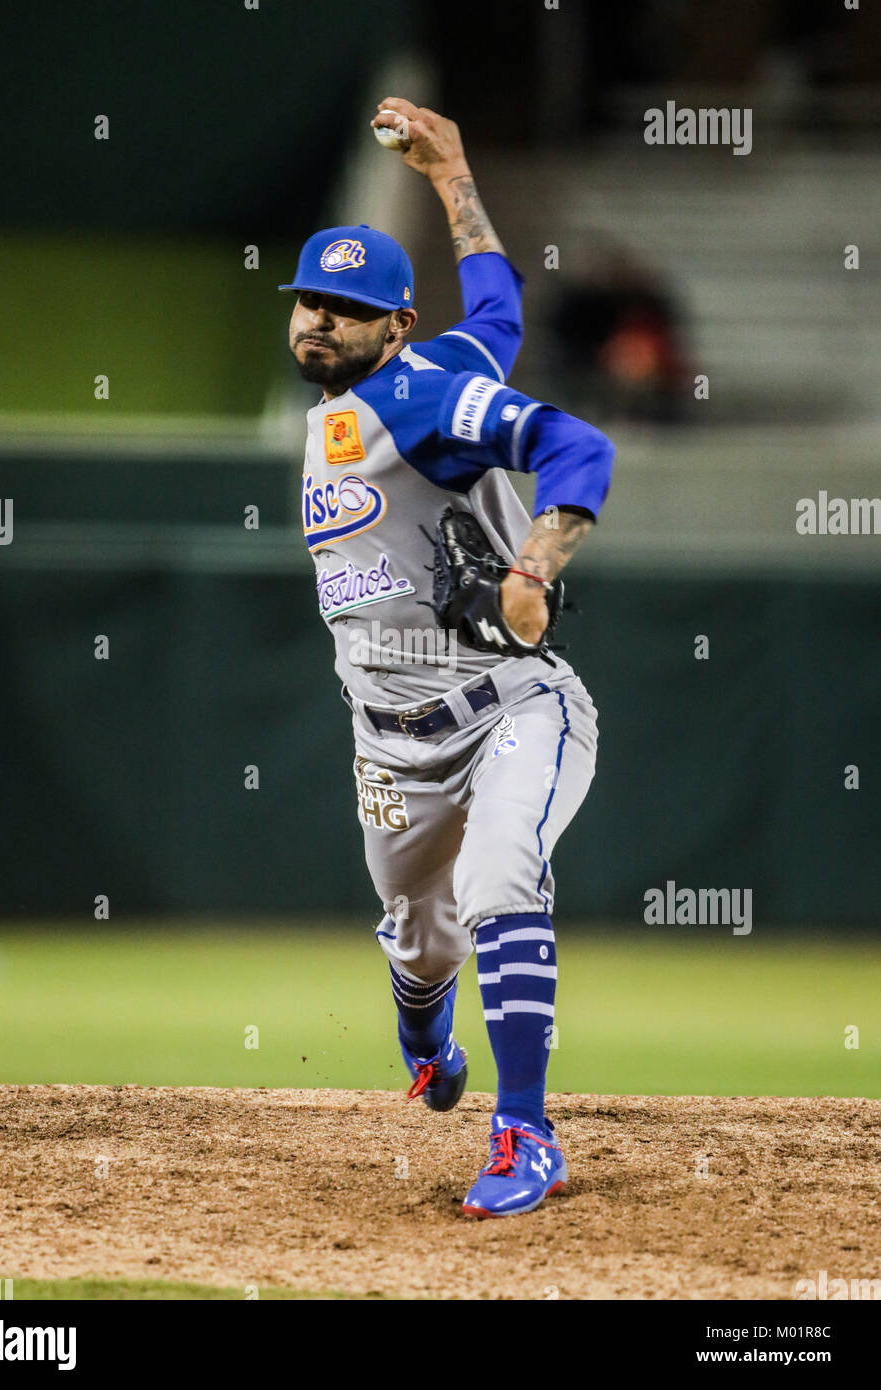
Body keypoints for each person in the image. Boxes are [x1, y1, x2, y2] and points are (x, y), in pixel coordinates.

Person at [280, 99, 615, 1217]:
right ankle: (424, 1033)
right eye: (309, 301)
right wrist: (454, 172)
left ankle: (526, 1134)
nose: (319, 321)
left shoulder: (418, 393)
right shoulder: (386, 385)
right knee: (420, 948)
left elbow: (579, 442)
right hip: (389, 740)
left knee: (498, 877)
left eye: (348, 308)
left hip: (510, 700)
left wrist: (533, 565)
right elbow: (498, 310)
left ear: (393, 325)